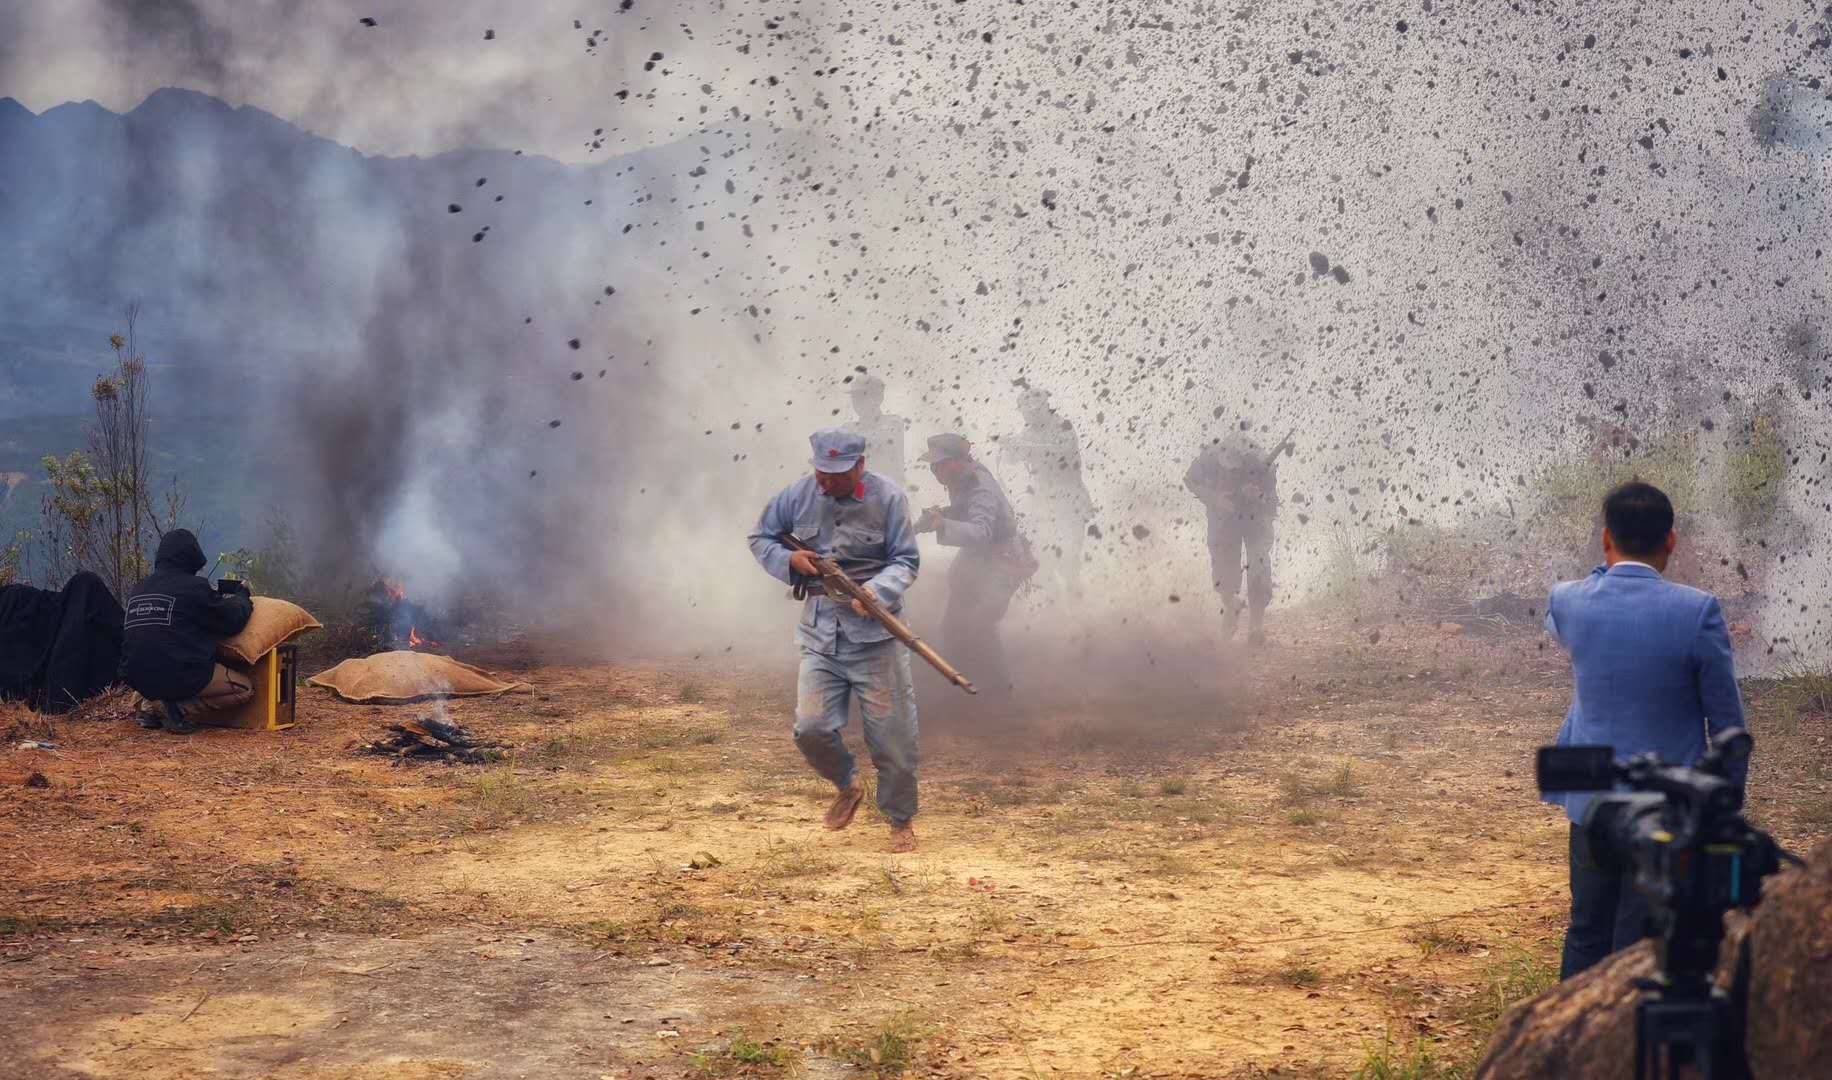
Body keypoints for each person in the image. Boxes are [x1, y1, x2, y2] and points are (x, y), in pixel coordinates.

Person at [1542, 481, 1748, 979]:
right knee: (1641, 939)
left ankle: (1569, 1041)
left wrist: (1608, 566)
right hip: (1666, 807)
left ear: (1606, 538)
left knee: (1587, 928)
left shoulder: (1569, 601)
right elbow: (1727, 726)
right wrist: (1724, 805)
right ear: (1671, 542)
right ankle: (1625, 1046)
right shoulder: (1698, 611)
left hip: (1591, 800)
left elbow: (1584, 591)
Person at [748, 429, 923, 853]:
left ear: (861, 465)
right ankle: (847, 784)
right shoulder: (796, 495)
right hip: (820, 636)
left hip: (876, 638)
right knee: (810, 728)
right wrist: (790, 558)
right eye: (822, 473)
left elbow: (906, 560)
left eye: (838, 474)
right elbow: (761, 538)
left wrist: (876, 593)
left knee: (892, 738)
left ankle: (900, 822)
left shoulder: (890, 498)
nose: (827, 482)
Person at [913, 433, 1034, 701]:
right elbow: (964, 511)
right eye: (933, 466)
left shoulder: (981, 486)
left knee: (981, 623)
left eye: (941, 464)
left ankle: (1000, 694)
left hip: (1004, 561)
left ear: (960, 461)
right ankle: (960, 684)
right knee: (954, 624)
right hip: (976, 559)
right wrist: (940, 515)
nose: (935, 471)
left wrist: (942, 524)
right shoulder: (962, 478)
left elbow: (981, 531)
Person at [120, 529, 255, 734]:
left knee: (159, 672)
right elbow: (232, 620)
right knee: (244, 688)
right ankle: (173, 709)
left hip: (137, 676)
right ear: (192, 556)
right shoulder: (194, 588)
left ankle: (147, 705)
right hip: (181, 674)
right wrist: (242, 595)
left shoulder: (139, 588)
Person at [1184, 428, 1283, 645]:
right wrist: (1214, 497)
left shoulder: (1260, 462)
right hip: (1223, 518)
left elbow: (1272, 503)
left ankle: (1256, 627)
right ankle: (1231, 607)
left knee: (1259, 566)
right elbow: (1190, 480)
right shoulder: (1209, 457)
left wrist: (1259, 496)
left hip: (1256, 520)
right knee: (1223, 572)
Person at [1004, 387, 1095, 596]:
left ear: (1045, 407)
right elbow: (1013, 459)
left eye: (1034, 410)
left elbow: (1059, 452)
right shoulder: (1027, 432)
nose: (1030, 415)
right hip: (1043, 502)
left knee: (1070, 556)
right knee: (1044, 557)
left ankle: (1078, 601)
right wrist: (1009, 446)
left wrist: (1022, 445)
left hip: (1070, 499)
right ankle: (1053, 607)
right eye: (1026, 412)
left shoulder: (1063, 426)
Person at [842, 374, 912, 490]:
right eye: (855, 397)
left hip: (888, 497)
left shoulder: (893, 422)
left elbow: (880, 440)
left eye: (863, 396)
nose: (857, 401)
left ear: (878, 397)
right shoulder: (847, 428)